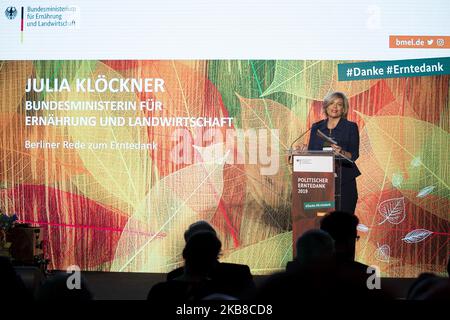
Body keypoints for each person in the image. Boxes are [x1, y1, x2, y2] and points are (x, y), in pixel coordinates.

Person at [166, 221, 255, 298]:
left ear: (186, 250)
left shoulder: (174, 277)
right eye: (198, 243)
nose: (203, 248)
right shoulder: (238, 273)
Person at [308, 92, 361, 214]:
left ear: (344, 108)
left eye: (339, 104)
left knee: (344, 221)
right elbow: (312, 153)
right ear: (326, 106)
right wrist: (302, 151)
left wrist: (341, 151)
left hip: (344, 181)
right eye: (332, 103)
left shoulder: (351, 127)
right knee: (321, 220)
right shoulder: (316, 127)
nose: (335, 107)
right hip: (321, 181)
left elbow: (354, 155)